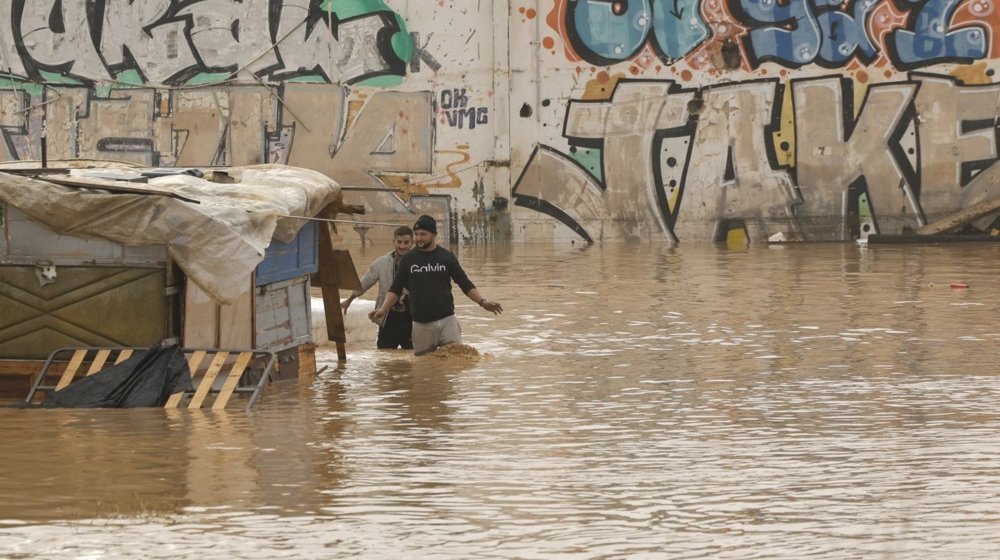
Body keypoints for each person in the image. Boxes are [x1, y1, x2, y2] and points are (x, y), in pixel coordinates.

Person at [370, 214, 502, 355]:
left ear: (434, 234)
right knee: (424, 368)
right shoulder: (408, 260)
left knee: (456, 361)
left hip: (447, 321)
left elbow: (465, 284)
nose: (419, 238)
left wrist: (482, 302)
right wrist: (383, 309)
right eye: (417, 234)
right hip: (421, 325)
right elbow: (395, 289)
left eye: (423, 234)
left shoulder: (447, 257)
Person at [342, 225, 414, 349]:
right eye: (399, 242)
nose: (402, 246)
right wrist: (349, 300)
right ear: (394, 242)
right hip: (387, 318)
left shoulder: (419, 263)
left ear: (412, 243)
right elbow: (365, 283)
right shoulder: (382, 262)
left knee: (414, 358)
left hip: (412, 319)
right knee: (384, 358)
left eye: (406, 242)